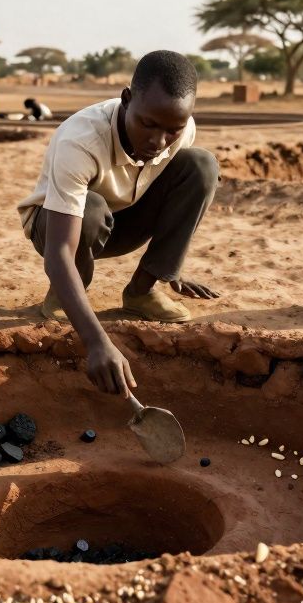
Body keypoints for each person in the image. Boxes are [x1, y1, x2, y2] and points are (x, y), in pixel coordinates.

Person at [16, 50, 221, 395]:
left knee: (202, 166)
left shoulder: (180, 130)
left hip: (124, 219)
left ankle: (142, 291)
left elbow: (179, 189)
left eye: (173, 129)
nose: (158, 141)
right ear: (127, 99)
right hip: (58, 227)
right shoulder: (80, 140)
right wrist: (97, 342)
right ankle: (67, 291)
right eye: (148, 124)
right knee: (93, 209)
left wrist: (170, 262)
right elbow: (59, 252)